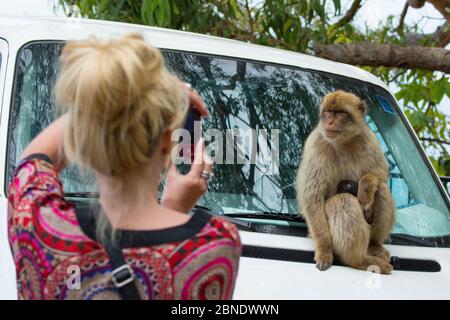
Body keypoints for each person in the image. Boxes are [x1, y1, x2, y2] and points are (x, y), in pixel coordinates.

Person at [7, 33, 242, 300]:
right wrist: (174, 211)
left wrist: (98, 99)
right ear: (168, 141)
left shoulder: (39, 229)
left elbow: (34, 160)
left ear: (81, 140)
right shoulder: (214, 246)